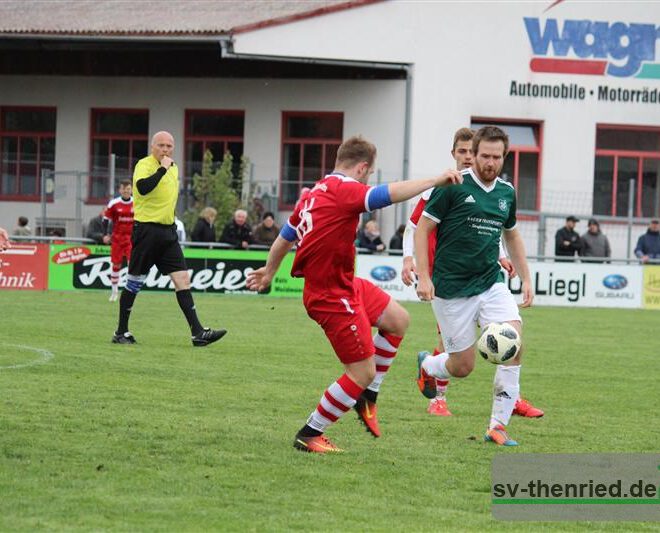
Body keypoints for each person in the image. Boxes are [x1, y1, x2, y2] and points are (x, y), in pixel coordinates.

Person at [246, 135, 461, 453]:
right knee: (361, 370)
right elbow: (388, 195)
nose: (368, 180)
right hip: (330, 295)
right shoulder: (343, 190)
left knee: (399, 320)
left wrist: (270, 271)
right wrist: (435, 179)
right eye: (369, 174)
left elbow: (284, 237)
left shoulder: (313, 193)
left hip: (346, 284)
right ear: (362, 168)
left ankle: (367, 397)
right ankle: (310, 433)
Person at [402, 127, 541, 419]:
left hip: (490, 283)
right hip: (451, 288)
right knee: (462, 367)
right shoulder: (452, 185)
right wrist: (423, 276)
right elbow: (421, 228)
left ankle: (498, 426)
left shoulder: (507, 192)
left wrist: (527, 277)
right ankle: (428, 365)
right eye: (485, 156)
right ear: (474, 155)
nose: (491, 163)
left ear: (505, 157)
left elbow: (511, 234)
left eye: (497, 157)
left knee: (514, 342)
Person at [111, 131, 226, 347]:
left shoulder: (174, 168)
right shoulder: (145, 165)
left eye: (169, 146)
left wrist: (167, 169)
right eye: (161, 145)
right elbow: (143, 189)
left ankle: (198, 333)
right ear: (152, 146)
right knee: (134, 281)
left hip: (168, 232)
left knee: (182, 279)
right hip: (146, 231)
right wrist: (162, 168)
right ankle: (121, 331)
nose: (165, 150)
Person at [103, 179, 134, 302]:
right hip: (117, 239)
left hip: (131, 239)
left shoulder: (137, 203)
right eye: (124, 189)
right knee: (116, 265)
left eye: (128, 189)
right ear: (120, 190)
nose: (126, 191)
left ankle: (129, 292)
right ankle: (114, 291)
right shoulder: (114, 203)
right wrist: (105, 234)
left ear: (131, 190)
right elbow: (105, 219)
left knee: (132, 265)